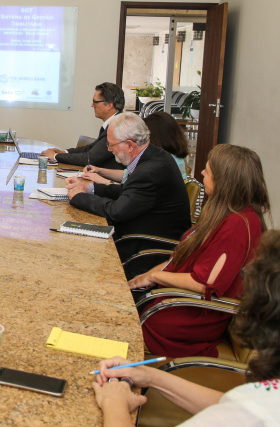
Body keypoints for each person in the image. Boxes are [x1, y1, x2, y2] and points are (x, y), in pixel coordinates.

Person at [92, 229, 280, 426]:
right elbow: (236, 406)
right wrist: (149, 376)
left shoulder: (262, 412)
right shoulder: (260, 403)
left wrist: (114, 404)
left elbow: (246, 412)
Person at [127, 144, 271, 358]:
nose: (202, 172)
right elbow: (182, 258)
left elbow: (203, 284)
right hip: (174, 301)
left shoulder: (237, 226)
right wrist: (147, 276)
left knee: (116, 325)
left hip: (187, 319)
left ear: (224, 182)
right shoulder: (229, 213)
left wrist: (154, 276)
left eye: (208, 171)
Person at [67, 113, 191, 240]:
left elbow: (116, 212)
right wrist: (90, 188)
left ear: (130, 145)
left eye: (111, 145)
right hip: (142, 230)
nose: (109, 149)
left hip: (146, 242)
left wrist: (79, 197)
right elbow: (128, 192)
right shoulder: (154, 155)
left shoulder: (149, 170)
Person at [82, 111, 190, 186]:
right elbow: (127, 174)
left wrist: (102, 181)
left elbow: (131, 190)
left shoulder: (161, 163)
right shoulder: (169, 157)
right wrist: (100, 171)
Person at [41, 82, 125, 170]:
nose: (92, 105)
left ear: (109, 105)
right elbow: (91, 148)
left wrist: (56, 156)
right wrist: (64, 152)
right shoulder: (114, 123)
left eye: (95, 102)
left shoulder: (117, 127)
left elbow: (89, 158)